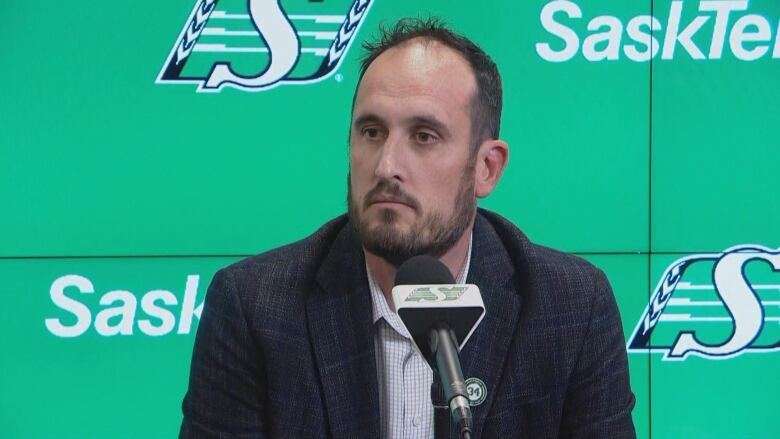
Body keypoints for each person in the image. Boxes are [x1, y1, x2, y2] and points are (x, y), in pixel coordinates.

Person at [179, 17, 636, 439]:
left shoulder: (569, 308)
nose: (386, 166)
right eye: (372, 132)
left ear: (486, 168)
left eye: (423, 136)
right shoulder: (255, 308)